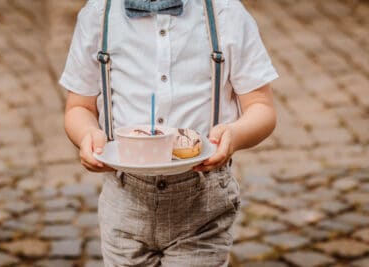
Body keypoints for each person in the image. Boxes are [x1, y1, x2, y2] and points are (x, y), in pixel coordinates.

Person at [60, 0, 278, 266]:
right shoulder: (98, 14)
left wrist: (234, 134)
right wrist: (87, 134)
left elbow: (261, 107)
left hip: (202, 202)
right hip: (125, 201)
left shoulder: (225, 13)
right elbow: (78, 107)